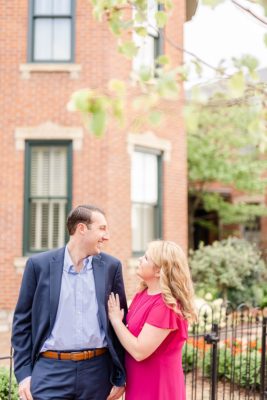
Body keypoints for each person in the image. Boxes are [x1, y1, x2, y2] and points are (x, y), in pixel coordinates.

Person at [12, 204, 127, 400]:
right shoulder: (38, 265)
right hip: (50, 372)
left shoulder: (111, 267)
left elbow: (120, 322)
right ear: (81, 229)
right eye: (102, 228)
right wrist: (24, 375)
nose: (106, 236)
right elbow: (22, 323)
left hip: (97, 372)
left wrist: (120, 375)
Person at [108, 240, 197, 400]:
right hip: (139, 382)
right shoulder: (142, 294)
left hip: (158, 387)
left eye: (147, 258)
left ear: (159, 271)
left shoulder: (166, 306)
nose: (141, 259)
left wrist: (116, 321)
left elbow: (139, 351)